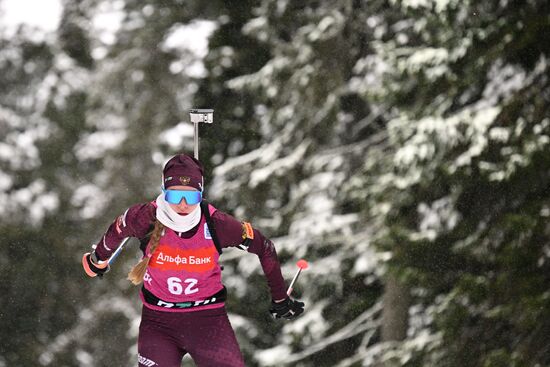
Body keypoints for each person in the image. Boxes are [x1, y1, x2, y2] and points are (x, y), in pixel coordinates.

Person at [81, 153, 305, 367]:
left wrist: (279, 298)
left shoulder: (217, 223)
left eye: (191, 196)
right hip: (159, 322)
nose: (183, 204)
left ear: (201, 193)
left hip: (208, 321)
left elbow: (264, 247)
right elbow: (118, 229)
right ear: (164, 192)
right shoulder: (146, 217)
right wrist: (98, 258)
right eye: (175, 195)